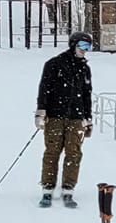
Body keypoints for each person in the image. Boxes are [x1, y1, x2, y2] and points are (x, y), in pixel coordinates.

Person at [36, 33, 95, 209]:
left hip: (76, 118)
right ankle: (47, 189)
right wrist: (41, 112)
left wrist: (88, 119)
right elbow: (44, 89)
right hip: (54, 116)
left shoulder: (85, 69)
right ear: (73, 45)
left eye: (88, 47)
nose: (85, 51)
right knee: (52, 152)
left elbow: (87, 95)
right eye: (83, 46)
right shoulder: (54, 64)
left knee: (74, 153)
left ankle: (68, 189)